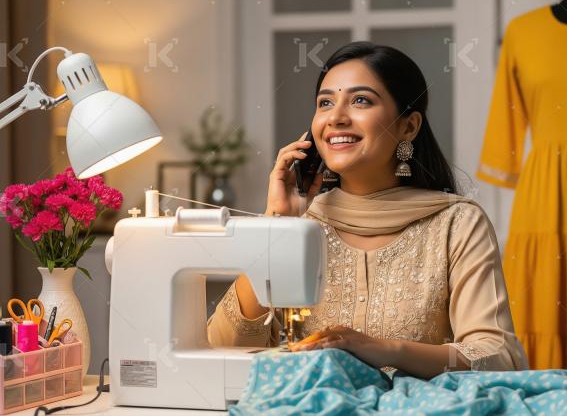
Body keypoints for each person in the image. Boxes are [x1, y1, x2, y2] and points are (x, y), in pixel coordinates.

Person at [208, 41, 528, 378]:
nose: (336, 118)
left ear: (408, 126)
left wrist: (385, 350)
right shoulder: (301, 224)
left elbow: (497, 356)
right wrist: (277, 223)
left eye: (361, 100)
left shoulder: (457, 223)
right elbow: (221, 347)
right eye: (325, 103)